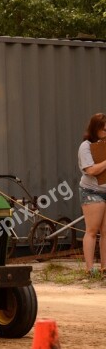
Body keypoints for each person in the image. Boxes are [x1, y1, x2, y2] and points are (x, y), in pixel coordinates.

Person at [77, 113, 106, 276]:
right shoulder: (86, 146)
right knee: (92, 230)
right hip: (92, 191)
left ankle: (104, 267)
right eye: (104, 129)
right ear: (96, 129)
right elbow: (91, 170)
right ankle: (90, 269)